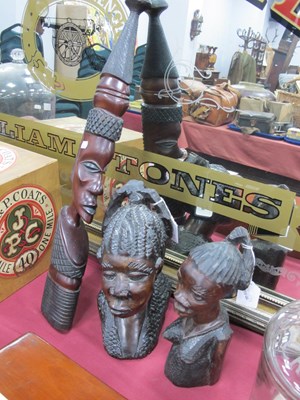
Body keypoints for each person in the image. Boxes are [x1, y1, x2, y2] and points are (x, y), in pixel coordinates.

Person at [41, 0, 150, 332]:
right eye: (90, 169)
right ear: (74, 164)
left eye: (102, 175)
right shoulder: (68, 226)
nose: (98, 188)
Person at [163, 226, 255, 387]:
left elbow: (213, 372)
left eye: (197, 295)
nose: (178, 295)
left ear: (226, 295)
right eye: (180, 281)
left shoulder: (220, 335)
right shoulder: (192, 315)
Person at [97, 180, 173, 359]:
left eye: (136, 276)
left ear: (157, 270)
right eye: (109, 274)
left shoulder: (158, 290)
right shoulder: (105, 299)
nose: (118, 290)